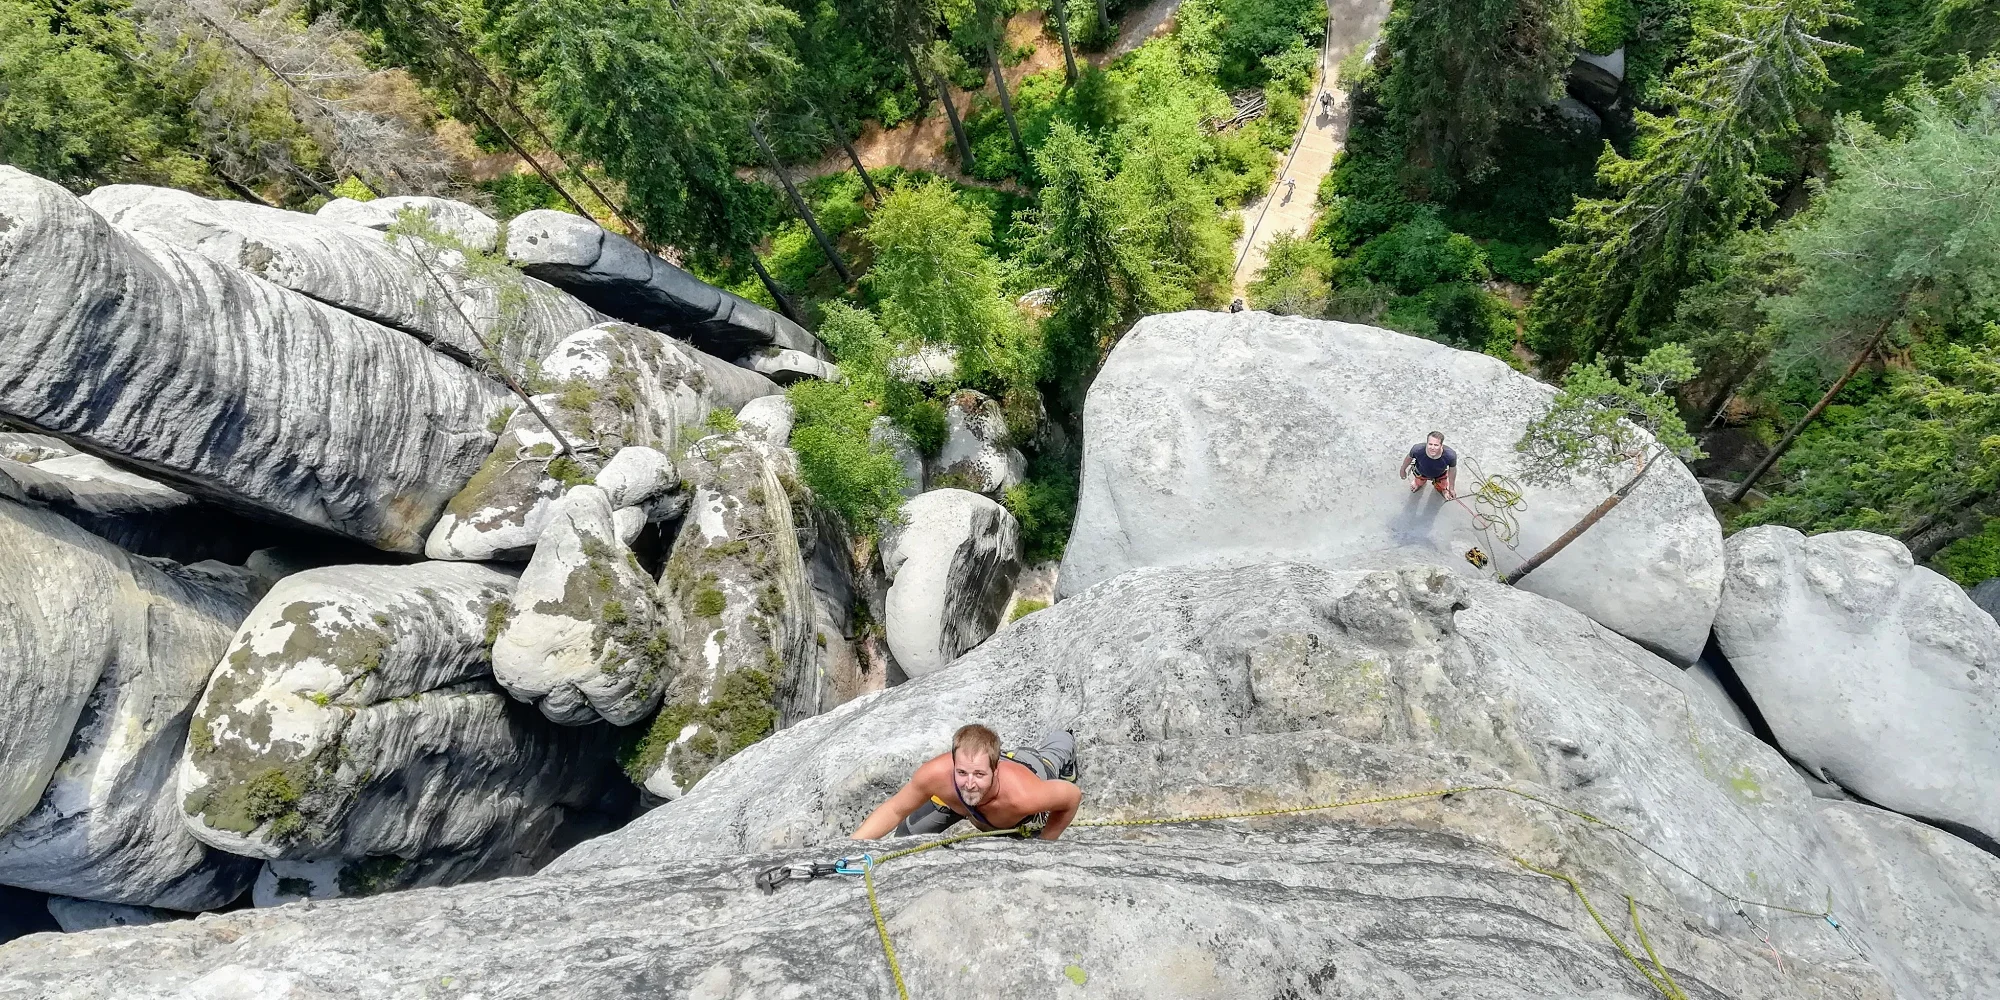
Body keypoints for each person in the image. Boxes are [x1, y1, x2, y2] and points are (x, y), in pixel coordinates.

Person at [852, 725, 1081, 841]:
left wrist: (1045, 844)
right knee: (905, 836)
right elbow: (894, 809)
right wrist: (853, 845)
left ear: (995, 770)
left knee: (1053, 755)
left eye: (979, 775)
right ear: (953, 763)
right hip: (960, 805)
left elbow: (1071, 796)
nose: (969, 783)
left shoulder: (1024, 795)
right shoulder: (936, 775)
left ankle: (1065, 736)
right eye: (962, 772)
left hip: (1031, 767)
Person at [1399, 430, 1457, 498]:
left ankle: (1443, 489)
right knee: (1419, 481)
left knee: (1442, 485)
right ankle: (1418, 484)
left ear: (1441, 445)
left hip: (1440, 474)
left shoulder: (1450, 456)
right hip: (1421, 472)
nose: (1432, 448)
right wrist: (1402, 470)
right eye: (1430, 444)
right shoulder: (1417, 449)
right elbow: (1409, 458)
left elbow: (1452, 470)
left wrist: (1451, 488)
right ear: (1427, 443)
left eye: (1436, 445)